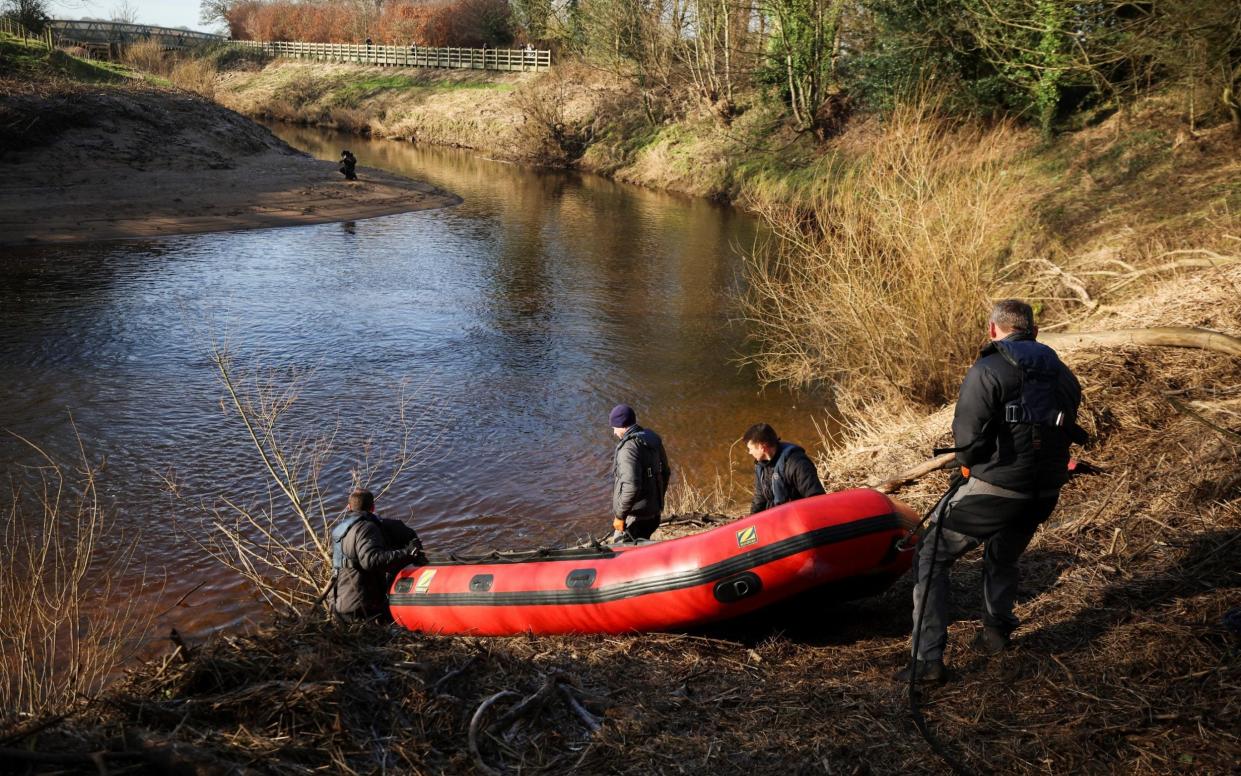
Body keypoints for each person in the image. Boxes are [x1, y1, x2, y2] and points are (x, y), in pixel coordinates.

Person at [900, 299, 1084, 683]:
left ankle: (927, 660)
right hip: (1046, 493)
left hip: (997, 491)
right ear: (1034, 332)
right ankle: (996, 634)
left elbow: (967, 440)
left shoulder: (987, 369)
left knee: (931, 554)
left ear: (992, 330)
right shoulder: (1062, 373)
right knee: (1003, 553)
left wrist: (968, 465)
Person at [331, 489, 425, 622]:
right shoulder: (367, 528)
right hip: (361, 609)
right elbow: (370, 560)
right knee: (401, 619)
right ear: (373, 508)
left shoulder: (340, 530)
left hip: (339, 606)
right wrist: (408, 552)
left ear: (349, 507)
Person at [609, 404, 671, 542]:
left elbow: (631, 486)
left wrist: (620, 516)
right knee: (643, 543)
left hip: (635, 517)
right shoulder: (652, 439)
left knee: (622, 552)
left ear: (622, 425)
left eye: (614, 428)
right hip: (654, 514)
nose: (614, 432)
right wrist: (657, 501)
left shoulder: (628, 449)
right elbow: (666, 473)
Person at [743, 423, 825, 514]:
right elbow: (760, 497)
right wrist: (752, 518)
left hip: (796, 516)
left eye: (751, 449)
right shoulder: (761, 465)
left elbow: (816, 498)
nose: (749, 452)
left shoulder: (796, 463)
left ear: (762, 447)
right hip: (776, 517)